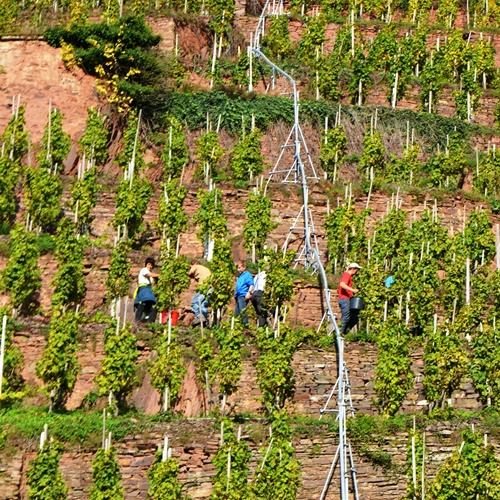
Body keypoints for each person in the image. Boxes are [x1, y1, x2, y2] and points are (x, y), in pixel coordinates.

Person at [338, 262, 362, 334]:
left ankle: (344, 332)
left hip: (347, 299)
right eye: (357, 269)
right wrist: (352, 290)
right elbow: (342, 284)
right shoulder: (347, 275)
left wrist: (351, 293)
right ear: (353, 269)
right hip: (344, 299)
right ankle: (339, 334)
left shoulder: (348, 277)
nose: (357, 271)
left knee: (354, 318)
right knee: (345, 317)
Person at [134, 257, 159, 323]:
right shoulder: (144, 270)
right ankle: (137, 321)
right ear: (146, 264)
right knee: (142, 304)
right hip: (143, 289)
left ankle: (150, 322)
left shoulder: (150, 274)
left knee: (153, 308)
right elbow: (149, 275)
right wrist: (160, 275)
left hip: (148, 290)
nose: (150, 266)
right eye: (149, 264)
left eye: (151, 265)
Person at [188, 260, 211, 327]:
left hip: (202, 286)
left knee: (194, 303)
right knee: (203, 305)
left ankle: (200, 317)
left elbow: (191, 271)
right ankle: (205, 324)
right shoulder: (205, 269)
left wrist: (188, 274)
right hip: (210, 288)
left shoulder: (196, 266)